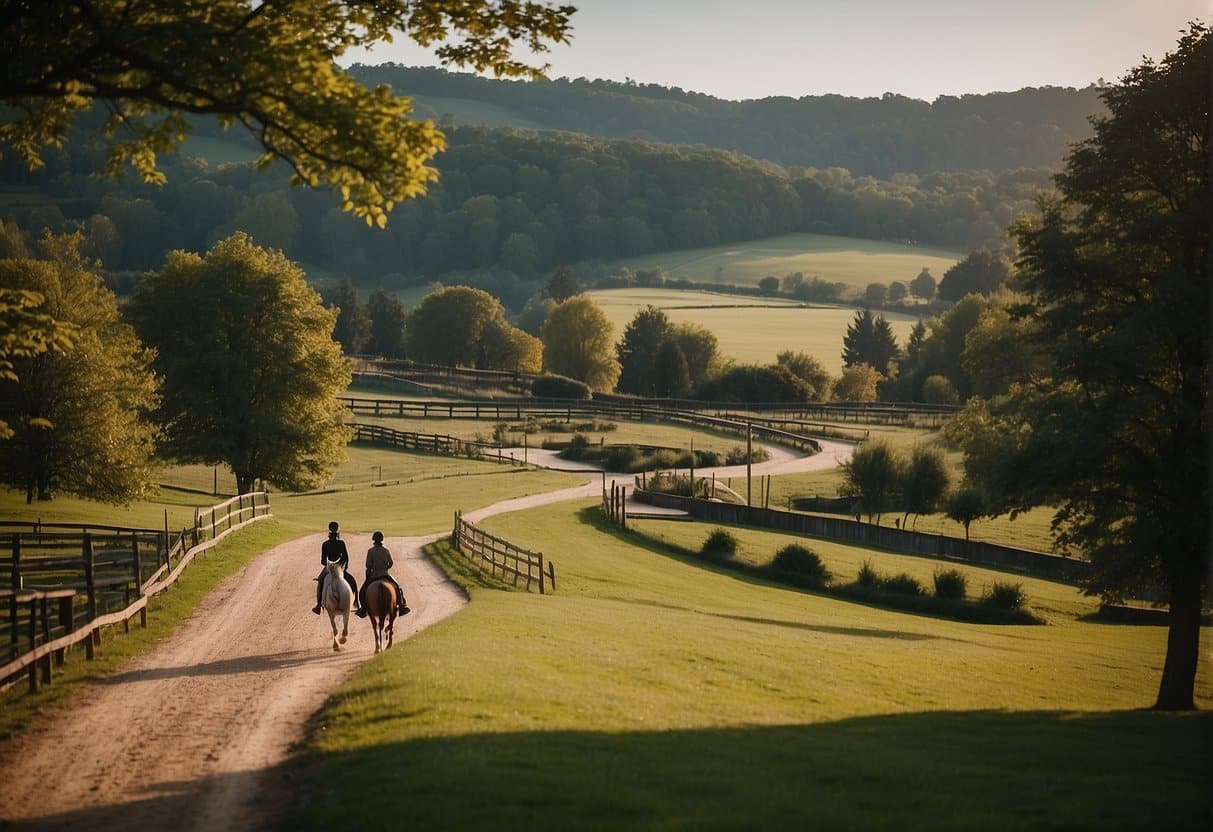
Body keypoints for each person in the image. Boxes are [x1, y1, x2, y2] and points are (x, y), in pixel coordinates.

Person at [356, 530, 410, 618]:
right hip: (385, 574)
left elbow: (368, 565)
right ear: (382, 539)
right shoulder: (386, 550)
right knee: (398, 588)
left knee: (363, 590)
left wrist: (374, 569)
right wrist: (385, 569)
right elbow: (391, 563)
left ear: (373, 540)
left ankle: (363, 608)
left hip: (374, 575)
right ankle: (402, 606)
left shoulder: (370, 551)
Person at [313, 521, 360, 615]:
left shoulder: (325, 544)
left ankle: (318, 605)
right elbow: (346, 557)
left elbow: (322, 561)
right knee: (352, 581)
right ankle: (357, 604)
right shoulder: (341, 543)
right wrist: (343, 567)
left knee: (321, 582)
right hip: (340, 568)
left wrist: (329, 564)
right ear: (337, 532)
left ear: (329, 532)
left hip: (329, 568)